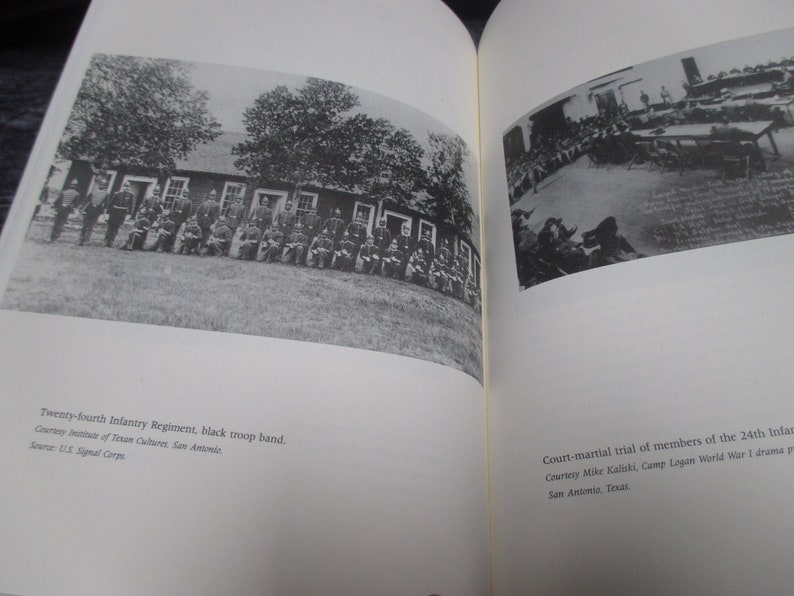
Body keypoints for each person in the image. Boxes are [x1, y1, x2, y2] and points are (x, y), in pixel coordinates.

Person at [78, 176, 110, 245]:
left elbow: (106, 205)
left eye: (104, 185)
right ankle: (81, 239)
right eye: (101, 184)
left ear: (105, 186)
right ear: (99, 184)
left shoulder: (106, 194)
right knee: (84, 226)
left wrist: (104, 214)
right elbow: (86, 200)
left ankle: (87, 240)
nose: (102, 186)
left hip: (97, 211)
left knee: (91, 226)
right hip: (88, 210)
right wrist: (81, 207)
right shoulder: (93, 191)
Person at [104, 181, 134, 247]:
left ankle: (111, 240)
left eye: (128, 187)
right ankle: (106, 240)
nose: (126, 188)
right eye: (125, 186)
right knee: (110, 226)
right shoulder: (117, 194)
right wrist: (107, 213)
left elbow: (131, 205)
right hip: (114, 212)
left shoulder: (131, 195)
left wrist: (129, 214)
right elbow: (110, 204)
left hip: (122, 213)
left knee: (116, 227)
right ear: (123, 187)